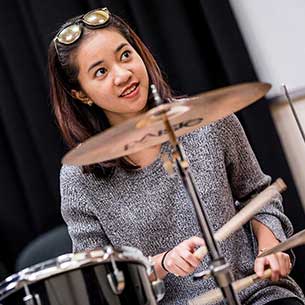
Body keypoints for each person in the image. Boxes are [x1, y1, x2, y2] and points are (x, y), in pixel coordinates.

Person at [48, 7, 305, 305]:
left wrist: (269, 250)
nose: (123, 74)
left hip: (255, 294)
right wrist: (162, 263)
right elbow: (101, 280)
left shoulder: (210, 119)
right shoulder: (80, 176)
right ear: (81, 93)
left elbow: (259, 195)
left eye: (125, 55)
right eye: (101, 72)